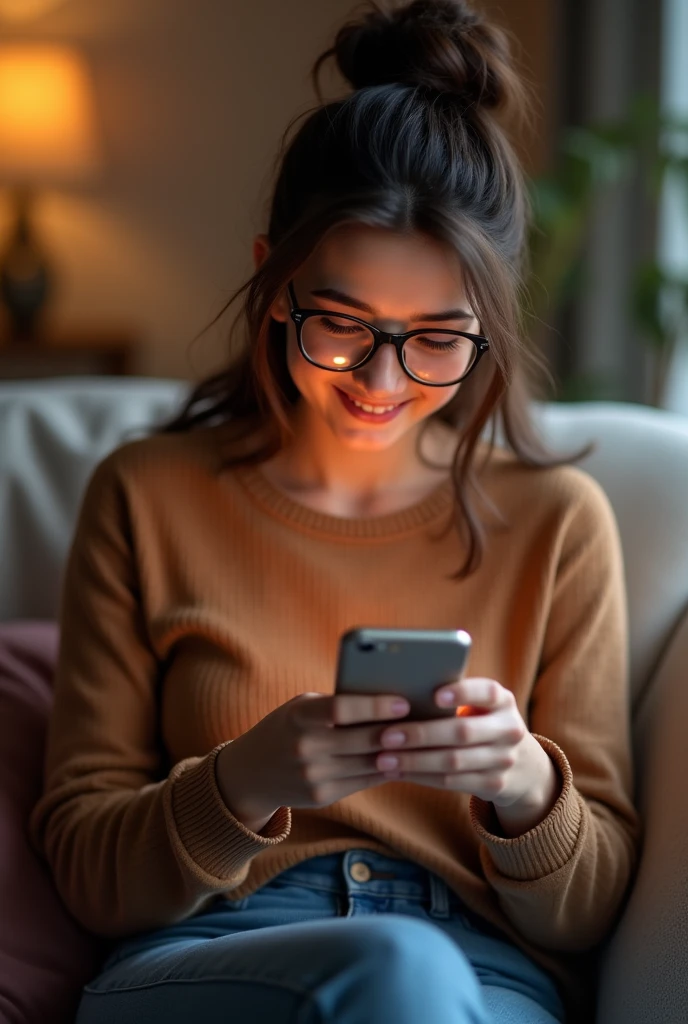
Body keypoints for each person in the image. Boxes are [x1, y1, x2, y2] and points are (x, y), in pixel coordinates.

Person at [28, 1, 641, 1022]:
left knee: (417, 978)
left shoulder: (558, 522)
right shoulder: (147, 495)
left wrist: (526, 786)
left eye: (438, 337)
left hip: (482, 976)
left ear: (488, 324)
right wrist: (245, 778)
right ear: (274, 283)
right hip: (215, 956)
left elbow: (587, 911)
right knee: (397, 974)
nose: (381, 379)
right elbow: (88, 871)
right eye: (341, 324)